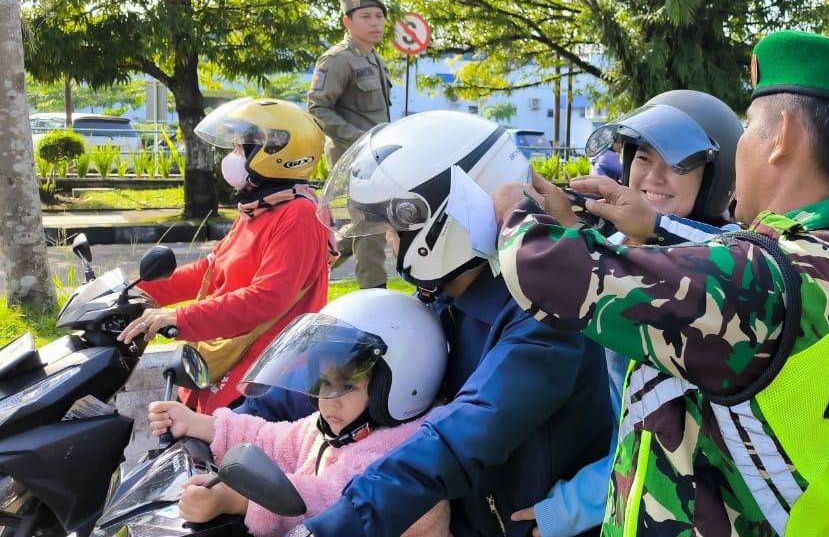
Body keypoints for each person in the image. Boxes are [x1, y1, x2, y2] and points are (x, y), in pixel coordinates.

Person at [492, 29, 829, 535]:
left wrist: (514, 206)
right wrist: (655, 226)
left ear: (783, 138)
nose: (742, 148)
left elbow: (544, 270)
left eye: (751, 126)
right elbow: (721, 263)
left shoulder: (761, 279)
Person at [303, 111, 613, 537]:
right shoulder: (441, 299)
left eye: (394, 226)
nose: (390, 240)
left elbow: (462, 435)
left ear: (443, 218)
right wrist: (232, 424)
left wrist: (337, 526)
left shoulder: (544, 315)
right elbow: (353, 369)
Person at [512, 89, 742, 537]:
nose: (653, 177)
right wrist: (574, 232)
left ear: (714, 180)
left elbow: (653, 433)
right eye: (643, 158)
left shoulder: (720, 276)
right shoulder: (621, 248)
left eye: (679, 165)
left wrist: (568, 508)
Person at [148, 290, 449, 537]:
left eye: (346, 386)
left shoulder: (403, 455)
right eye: (322, 383)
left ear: (400, 385)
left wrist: (234, 500)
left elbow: (333, 502)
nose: (326, 400)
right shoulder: (342, 429)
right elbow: (274, 440)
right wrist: (196, 423)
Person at [120, 98, 331, 413]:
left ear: (277, 155)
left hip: (261, 377)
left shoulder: (299, 215)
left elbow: (266, 298)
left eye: (239, 148)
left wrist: (180, 318)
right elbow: (211, 269)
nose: (231, 157)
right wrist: (137, 292)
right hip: (227, 356)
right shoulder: (260, 207)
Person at [307, 0, 393, 290]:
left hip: (378, 157)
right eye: (366, 17)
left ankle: (306, 268)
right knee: (371, 228)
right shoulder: (338, 60)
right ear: (347, 21)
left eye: (379, 16)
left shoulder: (374, 59)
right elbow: (318, 108)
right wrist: (359, 140)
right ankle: (375, 295)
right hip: (355, 159)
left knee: (367, 226)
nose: (375, 23)